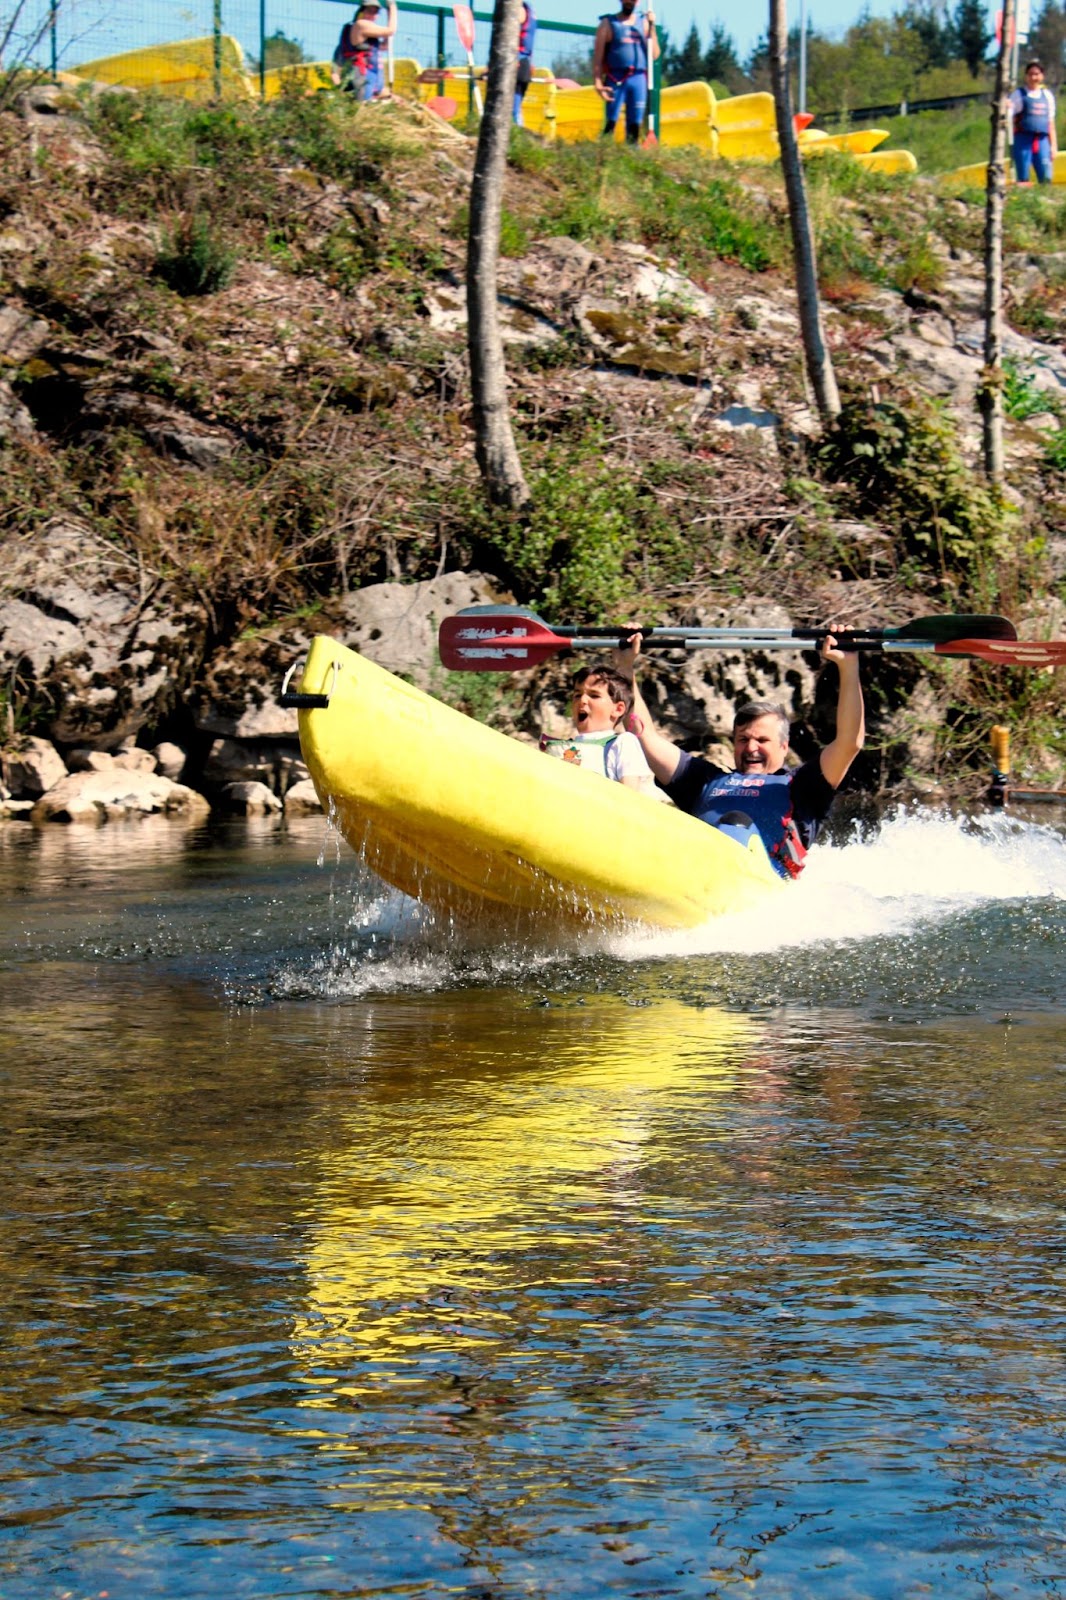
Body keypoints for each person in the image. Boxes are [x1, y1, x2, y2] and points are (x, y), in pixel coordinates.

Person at [613, 628, 865, 877]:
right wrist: (625, 666)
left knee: (736, 824)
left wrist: (848, 666)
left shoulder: (802, 786)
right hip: (696, 877)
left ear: (783, 747)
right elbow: (642, 734)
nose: (751, 747)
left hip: (763, 884)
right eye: (743, 739)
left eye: (762, 740)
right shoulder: (703, 780)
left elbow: (849, 742)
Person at [540, 662, 658, 794]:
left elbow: (631, 796)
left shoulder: (623, 743)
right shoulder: (564, 747)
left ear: (618, 709)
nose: (582, 700)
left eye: (594, 695)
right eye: (577, 695)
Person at [592, 0, 659, 145]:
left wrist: (652, 27)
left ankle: (631, 156)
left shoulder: (644, 23)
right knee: (611, 121)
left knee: (634, 124)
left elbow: (654, 54)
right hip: (616, 78)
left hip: (638, 78)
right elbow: (597, 57)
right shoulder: (608, 24)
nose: (629, 2)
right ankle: (603, 154)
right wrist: (597, 82)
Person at [332, 0, 397, 100]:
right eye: (369, 11)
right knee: (363, 104)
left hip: (372, 79)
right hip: (362, 78)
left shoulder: (368, 31)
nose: (373, 15)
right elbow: (390, 30)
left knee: (393, 98)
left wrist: (387, 29)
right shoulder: (360, 25)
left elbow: (384, 46)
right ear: (362, 11)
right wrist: (392, 7)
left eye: (375, 12)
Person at [1009, 59, 1058, 186]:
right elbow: (1008, 117)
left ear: (1042, 76)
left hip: (1042, 140)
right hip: (1023, 139)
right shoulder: (1018, 95)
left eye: (1036, 74)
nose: (1033, 77)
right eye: (1030, 74)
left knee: (1046, 177)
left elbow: (1050, 123)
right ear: (1026, 76)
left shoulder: (1047, 96)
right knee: (1023, 176)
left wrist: (1053, 146)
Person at [514, 2, 536, 127]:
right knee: (515, 109)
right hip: (525, 63)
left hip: (518, 63)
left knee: (513, 109)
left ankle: (518, 133)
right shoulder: (529, 11)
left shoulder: (519, 11)